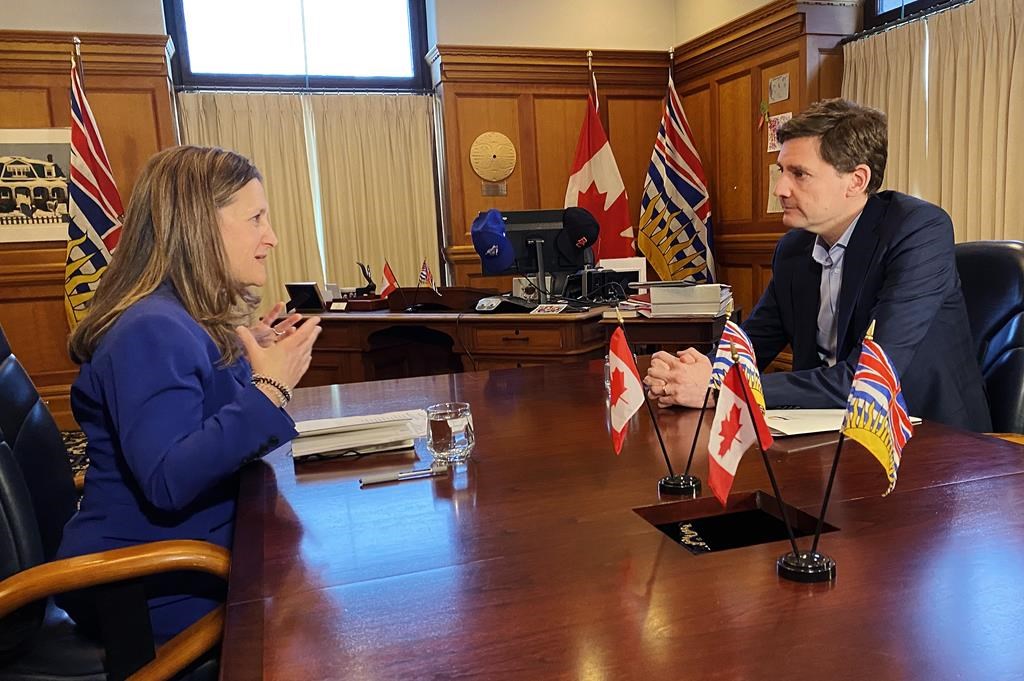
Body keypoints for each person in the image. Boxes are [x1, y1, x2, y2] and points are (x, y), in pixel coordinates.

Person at [56, 145, 322, 642]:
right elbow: (169, 478)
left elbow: (202, 415)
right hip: (147, 584)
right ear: (199, 226)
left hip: (188, 554)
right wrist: (269, 388)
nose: (271, 237)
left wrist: (244, 358)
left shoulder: (178, 318)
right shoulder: (151, 329)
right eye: (256, 219)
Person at [645, 99, 991, 432]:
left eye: (799, 174)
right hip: (826, 429)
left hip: (927, 437)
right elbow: (754, 341)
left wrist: (721, 385)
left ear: (856, 180)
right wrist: (688, 372)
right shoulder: (795, 247)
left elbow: (870, 378)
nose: (780, 189)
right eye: (782, 171)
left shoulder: (917, 230)